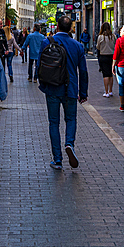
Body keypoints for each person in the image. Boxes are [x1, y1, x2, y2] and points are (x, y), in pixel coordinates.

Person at [39, 15, 88, 170]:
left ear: (57, 27)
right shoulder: (78, 46)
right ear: (71, 28)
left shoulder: (46, 42)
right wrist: (83, 92)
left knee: (53, 122)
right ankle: (69, 144)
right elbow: (84, 71)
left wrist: (43, 84)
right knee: (71, 119)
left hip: (52, 87)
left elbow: (40, 65)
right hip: (71, 88)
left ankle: (57, 160)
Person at [0, 18, 21, 83]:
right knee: (7, 64)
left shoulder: (2, 31)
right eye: (1, 24)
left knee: (2, 65)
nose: (2, 25)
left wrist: (7, 49)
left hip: (2, 52)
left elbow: (4, 41)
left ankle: (1, 79)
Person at [96, 22, 116, 98]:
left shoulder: (100, 37)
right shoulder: (113, 36)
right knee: (111, 74)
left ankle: (106, 91)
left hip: (103, 56)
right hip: (111, 56)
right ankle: (111, 91)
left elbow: (98, 47)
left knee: (105, 74)